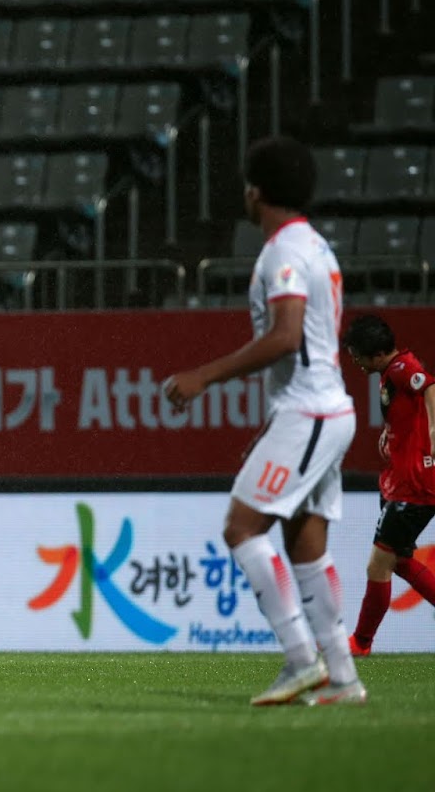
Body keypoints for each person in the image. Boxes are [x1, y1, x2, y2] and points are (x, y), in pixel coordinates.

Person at [164, 136, 363, 706]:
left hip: (311, 411)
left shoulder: (282, 253)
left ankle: (301, 660)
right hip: (326, 410)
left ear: (256, 192)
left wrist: (204, 376)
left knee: (241, 527)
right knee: (307, 547)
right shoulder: (316, 247)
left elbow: (284, 335)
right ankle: (343, 676)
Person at [341, 314, 435, 654]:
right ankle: (361, 642)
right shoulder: (390, 374)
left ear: (375, 353)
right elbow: (411, 410)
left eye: (356, 354)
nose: (354, 361)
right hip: (402, 481)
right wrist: (391, 433)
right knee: (401, 560)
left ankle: (360, 643)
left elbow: (429, 386)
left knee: (378, 564)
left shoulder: (401, 368)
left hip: (413, 486)